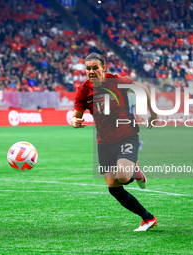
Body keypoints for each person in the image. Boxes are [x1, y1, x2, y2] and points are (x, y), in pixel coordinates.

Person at [71, 53, 158, 231]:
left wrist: (153, 113)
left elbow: (145, 90)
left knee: (124, 177)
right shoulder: (83, 90)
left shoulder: (118, 82)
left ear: (103, 68)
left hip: (126, 134)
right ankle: (148, 218)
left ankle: (134, 169)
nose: (91, 71)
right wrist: (74, 122)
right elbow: (75, 117)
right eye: (88, 69)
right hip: (104, 141)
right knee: (113, 188)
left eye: (95, 67)